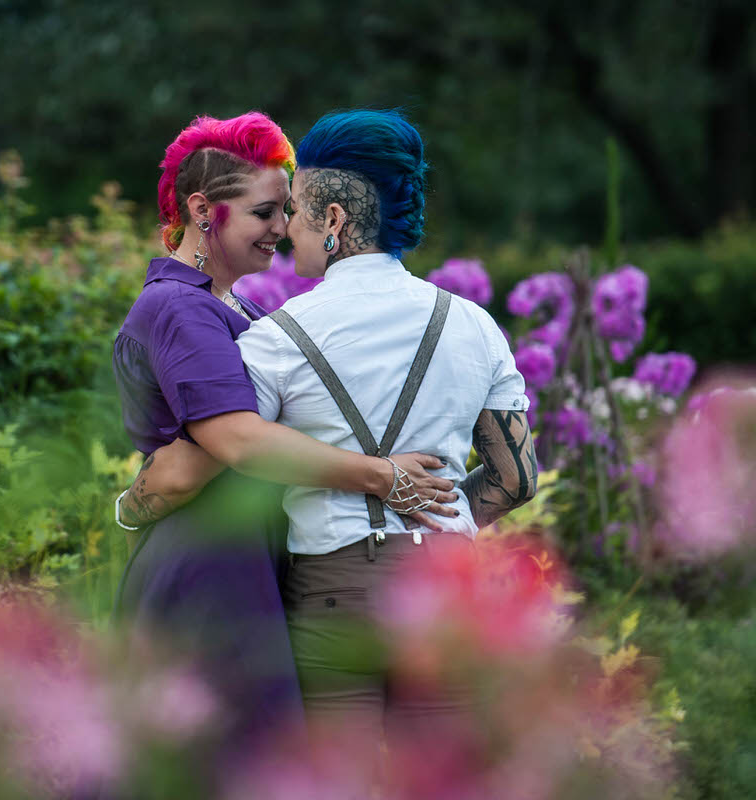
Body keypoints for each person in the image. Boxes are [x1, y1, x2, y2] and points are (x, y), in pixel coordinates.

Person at [131, 108, 539, 765]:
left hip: (330, 594)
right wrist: (437, 511)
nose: (286, 228)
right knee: (444, 777)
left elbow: (204, 463)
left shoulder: (278, 338)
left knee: (332, 778)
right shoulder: (475, 326)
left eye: (296, 210)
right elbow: (516, 478)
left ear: (335, 220)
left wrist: (134, 505)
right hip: (443, 593)